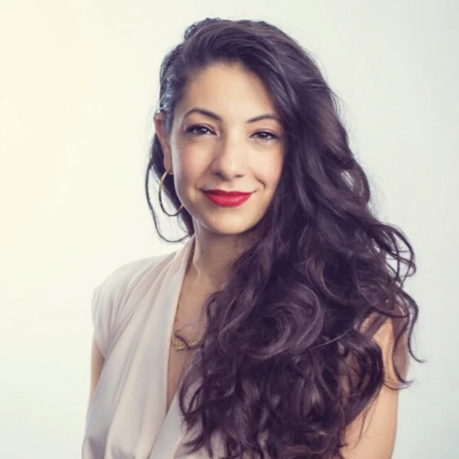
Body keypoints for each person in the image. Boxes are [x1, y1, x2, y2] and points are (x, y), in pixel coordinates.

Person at [82, 18, 421, 459]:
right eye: (203, 129)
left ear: (297, 148)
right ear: (166, 140)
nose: (229, 164)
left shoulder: (355, 323)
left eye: (263, 134)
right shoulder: (120, 299)